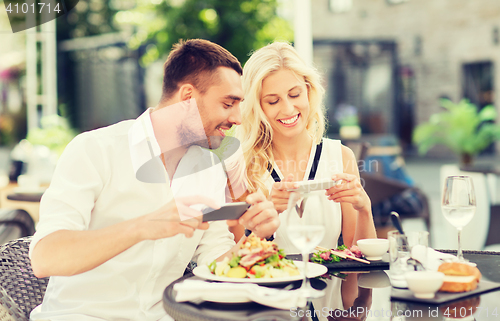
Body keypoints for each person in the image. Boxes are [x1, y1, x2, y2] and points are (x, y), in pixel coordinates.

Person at [29, 39, 279, 321]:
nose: (237, 118)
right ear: (187, 97)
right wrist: (142, 227)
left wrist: (253, 237)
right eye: (227, 103)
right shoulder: (94, 149)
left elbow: (217, 264)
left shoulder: (209, 168)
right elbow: (45, 258)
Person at [234, 42, 376, 252]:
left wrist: (364, 208)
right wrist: (265, 219)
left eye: (295, 94)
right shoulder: (241, 168)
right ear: (258, 107)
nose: (288, 108)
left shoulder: (341, 156)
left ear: (309, 91)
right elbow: (234, 265)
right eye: (273, 101)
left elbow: (360, 261)